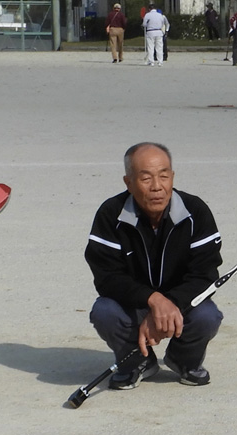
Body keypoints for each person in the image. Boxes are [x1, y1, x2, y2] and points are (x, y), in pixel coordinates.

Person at [84, 143, 223, 389]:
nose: (157, 186)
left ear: (173, 177)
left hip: (182, 305)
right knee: (104, 312)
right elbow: (107, 277)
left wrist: (169, 304)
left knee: (207, 315)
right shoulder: (110, 214)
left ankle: (184, 361)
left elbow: (205, 275)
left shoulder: (196, 212)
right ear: (128, 182)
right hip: (132, 305)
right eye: (146, 178)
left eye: (164, 176)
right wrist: (152, 301)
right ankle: (136, 362)